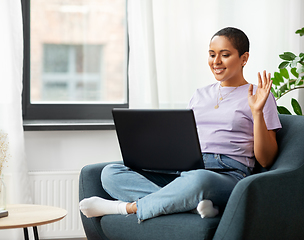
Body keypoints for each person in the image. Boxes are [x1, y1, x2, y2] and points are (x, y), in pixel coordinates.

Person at [79, 27, 282, 222]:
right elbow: (185, 138)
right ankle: (191, 205)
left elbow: (266, 160)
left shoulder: (260, 95)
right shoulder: (200, 95)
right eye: (212, 54)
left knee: (197, 181)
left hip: (226, 174)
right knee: (111, 173)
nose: (216, 61)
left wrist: (257, 112)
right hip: (186, 169)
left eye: (225, 55)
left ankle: (125, 208)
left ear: (244, 58)